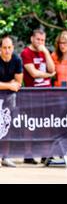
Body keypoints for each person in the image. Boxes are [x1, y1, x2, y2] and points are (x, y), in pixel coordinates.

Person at [20, 28, 56, 165]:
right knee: (31, 125)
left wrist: (46, 52)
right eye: (38, 39)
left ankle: (45, 154)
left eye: (43, 40)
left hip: (47, 93)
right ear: (32, 39)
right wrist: (48, 76)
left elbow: (52, 69)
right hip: (32, 93)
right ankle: (28, 155)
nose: (40, 42)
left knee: (47, 125)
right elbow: (34, 73)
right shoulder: (26, 53)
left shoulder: (45, 52)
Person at [0, 35, 22, 167]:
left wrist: (4, 85)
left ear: (13, 48)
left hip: (9, 97)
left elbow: (18, 82)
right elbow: (13, 84)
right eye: (4, 48)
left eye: (9, 47)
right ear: (0, 49)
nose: (7, 50)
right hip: (6, 91)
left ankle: (5, 157)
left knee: (7, 127)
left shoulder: (17, 59)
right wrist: (9, 85)